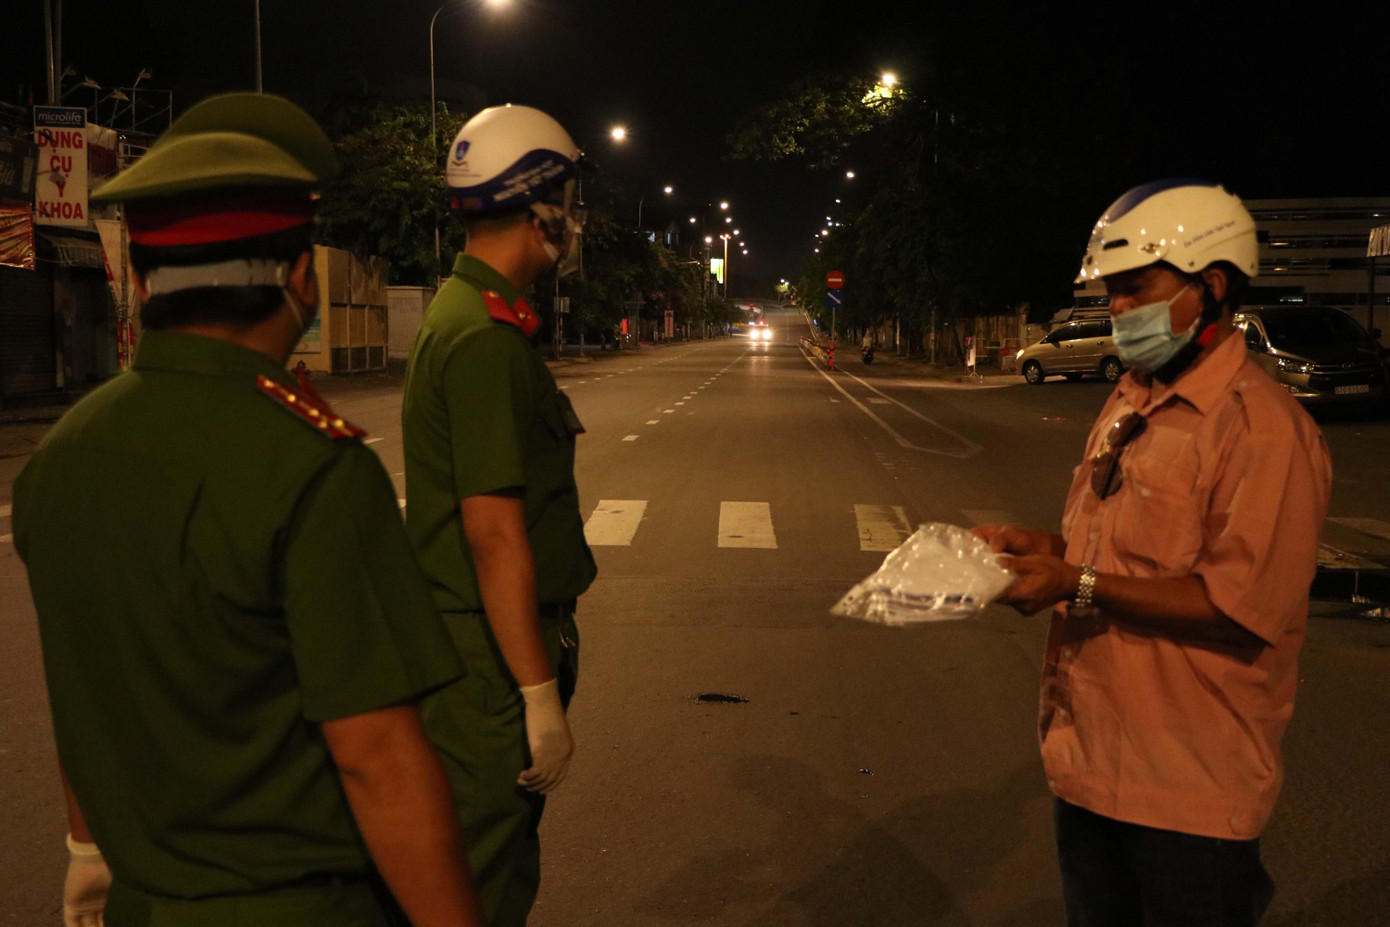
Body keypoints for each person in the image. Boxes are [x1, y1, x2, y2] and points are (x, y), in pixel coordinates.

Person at [13, 93, 483, 927]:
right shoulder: (311, 467)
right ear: (300, 279)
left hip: (141, 902)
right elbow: (377, 757)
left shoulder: (61, 459)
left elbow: (87, 681)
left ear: (142, 279)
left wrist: (87, 848)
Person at [976, 180, 1331, 927]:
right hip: (1090, 772)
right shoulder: (1129, 401)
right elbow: (1114, 551)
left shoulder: (1261, 430)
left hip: (1188, 798)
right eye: (1111, 292)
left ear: (1211, 285)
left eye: (1135, 288)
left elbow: (1240, 607)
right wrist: (1032, 549)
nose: (1117, 310)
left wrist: (1076, 583)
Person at [401, 103, 596, 926]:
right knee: (481, 873)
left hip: (480, 647)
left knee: (497, 857)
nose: (575, 221)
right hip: (486, 660)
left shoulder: (470, 313)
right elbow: (491, 532)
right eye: (569, 201)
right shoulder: (481, 337)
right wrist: (535, 693)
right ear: (537, 204)